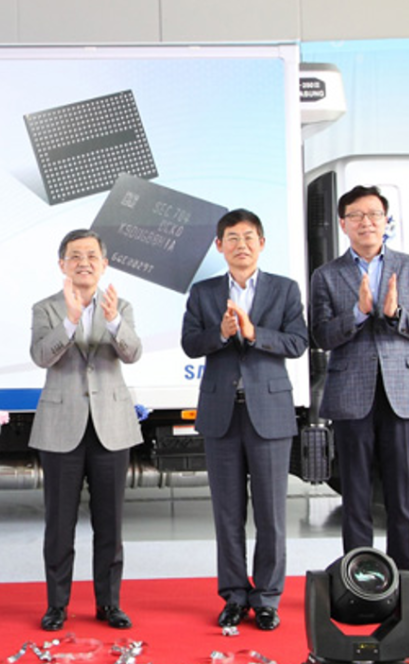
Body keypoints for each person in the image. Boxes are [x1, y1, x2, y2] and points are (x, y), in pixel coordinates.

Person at [310, 185, 409, 627]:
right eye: (356, 215)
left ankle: (407, 595)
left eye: (374, 214)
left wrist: (395, 312)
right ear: (343, 223)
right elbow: (321, 336)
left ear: (387, 221)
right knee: (357, 499)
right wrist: (360, 313)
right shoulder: (326, 275)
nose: (366, 222)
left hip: (402, 393)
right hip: (352, 394)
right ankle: (358, 592)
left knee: (404, 500)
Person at [181, 210, 307, 631]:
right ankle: (234, 595)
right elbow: (189, 344)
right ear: (219, 246)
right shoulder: (203, 293)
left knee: (271, 514)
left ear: (262, 243)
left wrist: (253, 333)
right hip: (221, 413)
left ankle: (267, 598)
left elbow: (297, 343)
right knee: (227, 513)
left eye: (249, 236)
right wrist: (219, 332)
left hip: (269, 413)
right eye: (232, 237)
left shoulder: (284, 290)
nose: (241, 244)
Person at [29, 229, 142, 632]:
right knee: (59, 524)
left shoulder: (120, 306)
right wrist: (70, 320)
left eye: (92, 255)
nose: (84, 262)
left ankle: (108, 604)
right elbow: (41, 356)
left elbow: (132, 352)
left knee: (109, 525)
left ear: (104, 263)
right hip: (62, 426)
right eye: (75, 256)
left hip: (111, 425)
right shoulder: (46, 308)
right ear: (62, 264)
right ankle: (57, 605)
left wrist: (111, 321)